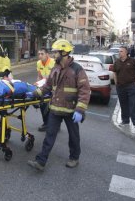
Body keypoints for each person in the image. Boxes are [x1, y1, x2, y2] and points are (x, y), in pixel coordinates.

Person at [27, 39, 90, 171]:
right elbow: (48, 86)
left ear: (64, 52)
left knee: (74, 136)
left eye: (56, 52)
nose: (54, 55)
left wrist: (80, 110)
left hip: (71, 110)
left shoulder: (77, 69)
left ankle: (74, 158)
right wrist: (35, 93)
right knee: (49, 136)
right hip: (55, 108)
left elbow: (85, 90)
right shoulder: (55, 68)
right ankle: (41, 161)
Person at [112, 46, 135, 129]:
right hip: (120, 87)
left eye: (121, 51)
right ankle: (125, 121)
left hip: (131, 86)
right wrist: (116, 83)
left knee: (133, 104)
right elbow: (114, 73)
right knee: (123, 104)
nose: (119, 53)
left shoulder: (133, 61)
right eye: (119, 51)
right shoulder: (116, 62)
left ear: (126, 52)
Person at [36, 48, 56, 132]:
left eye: (42, 54)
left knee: (52, 107)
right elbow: (39, 76)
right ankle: (46, 123)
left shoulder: (53, 62)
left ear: (47, 54)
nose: (40, 55)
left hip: (53, 87)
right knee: (42, 104)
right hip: (44, 87)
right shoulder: (38, 63)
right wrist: (37, 85)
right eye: (39, 54)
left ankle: (54, 125)